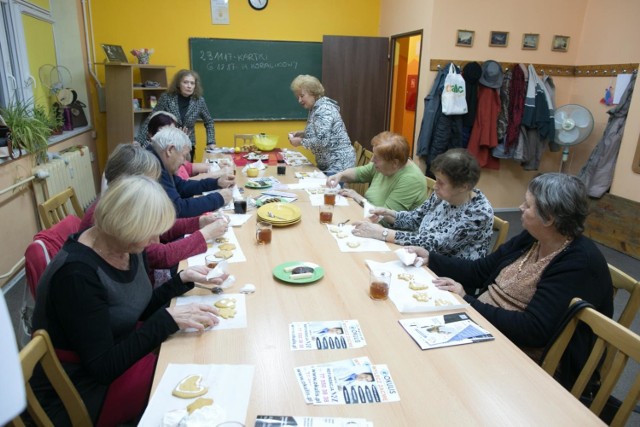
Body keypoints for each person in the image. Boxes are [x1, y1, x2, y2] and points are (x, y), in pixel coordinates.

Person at [31, 176, 227, 426]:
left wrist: (181, 280)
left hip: (116, 353)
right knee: (192, 376)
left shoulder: (125, 246)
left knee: (198, 357)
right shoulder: (77, 275)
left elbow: (135, 309)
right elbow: (103, 367)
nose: (154, 239)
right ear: (125, 227)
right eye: (148, 233)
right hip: (80, 390)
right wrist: (166, 321)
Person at [415, 173, 613, 388]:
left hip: (523, 353)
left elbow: (534, 330)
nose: (520, 207)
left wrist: (468, 302)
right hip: (484, 325)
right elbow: (480, 270)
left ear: (549, 218)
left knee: (437, 371)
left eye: (527, 205)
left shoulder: (578, 263)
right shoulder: (534, 238)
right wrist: (431, 258)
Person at [80, 143, 229, 282]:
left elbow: (159, 229)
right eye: (150, 182)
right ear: (128, 183)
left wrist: (198, 222)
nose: (156, 188)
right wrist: (206, 234)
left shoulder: (124, 203)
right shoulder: (111, 216)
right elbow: (159, 256)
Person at [352, 148, 493, 260]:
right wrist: (389, 215)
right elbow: (416, 218)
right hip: (421, 257)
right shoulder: (443, 195)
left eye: (441, 182)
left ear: (463, 187)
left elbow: (434, 243)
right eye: (436, 180)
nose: (435, 186)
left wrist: (382, 233)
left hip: (448, 274)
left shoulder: (478, 213)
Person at [326, 131, 428, 212]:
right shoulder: (384, 166)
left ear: (394, 163)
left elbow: (387, 218)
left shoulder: (411, 180)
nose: (371, 160)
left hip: (387, 232)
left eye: (377, 158)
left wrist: (357, 197)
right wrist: (340, 175)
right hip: (367, 216)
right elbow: (359, 173)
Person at [149, 126, 234, 217]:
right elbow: (178, 209)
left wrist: (217, 182)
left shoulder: (157, 159)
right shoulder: (153, 168)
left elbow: (182, 187)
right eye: (184, 156)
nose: (184, 163)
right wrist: (219, 198)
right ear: (170, 150)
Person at [136, 69, 215, 160]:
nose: (189, 86)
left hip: (187, 144)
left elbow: (209, 121)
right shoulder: (167, 98)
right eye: (185, 82)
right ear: (178, 84)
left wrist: (211, 142)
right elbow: (151, 119)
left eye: (192, 83)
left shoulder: (199, 101)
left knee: (186, 171)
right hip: (167, 144)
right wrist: (139, 141)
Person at [288, 74, 355, 176]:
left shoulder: (324, 110)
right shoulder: (315, 108)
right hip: (328, 164)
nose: (299, 100)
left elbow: (322, 140)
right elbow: (320, 132)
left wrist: (300, 141)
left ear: (313, 93)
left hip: (339, 164)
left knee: (322, 190)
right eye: (298, 97)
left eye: (302, 96)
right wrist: (302, 134)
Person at [144, 111, 233, 181]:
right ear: (151, 135)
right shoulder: (155, 164)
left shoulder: (172, 155)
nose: (170, 136)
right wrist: (215, 174)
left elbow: (189, 166)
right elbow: (183, 185)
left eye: (172, 132)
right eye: (163, 133)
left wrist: (216, 165)